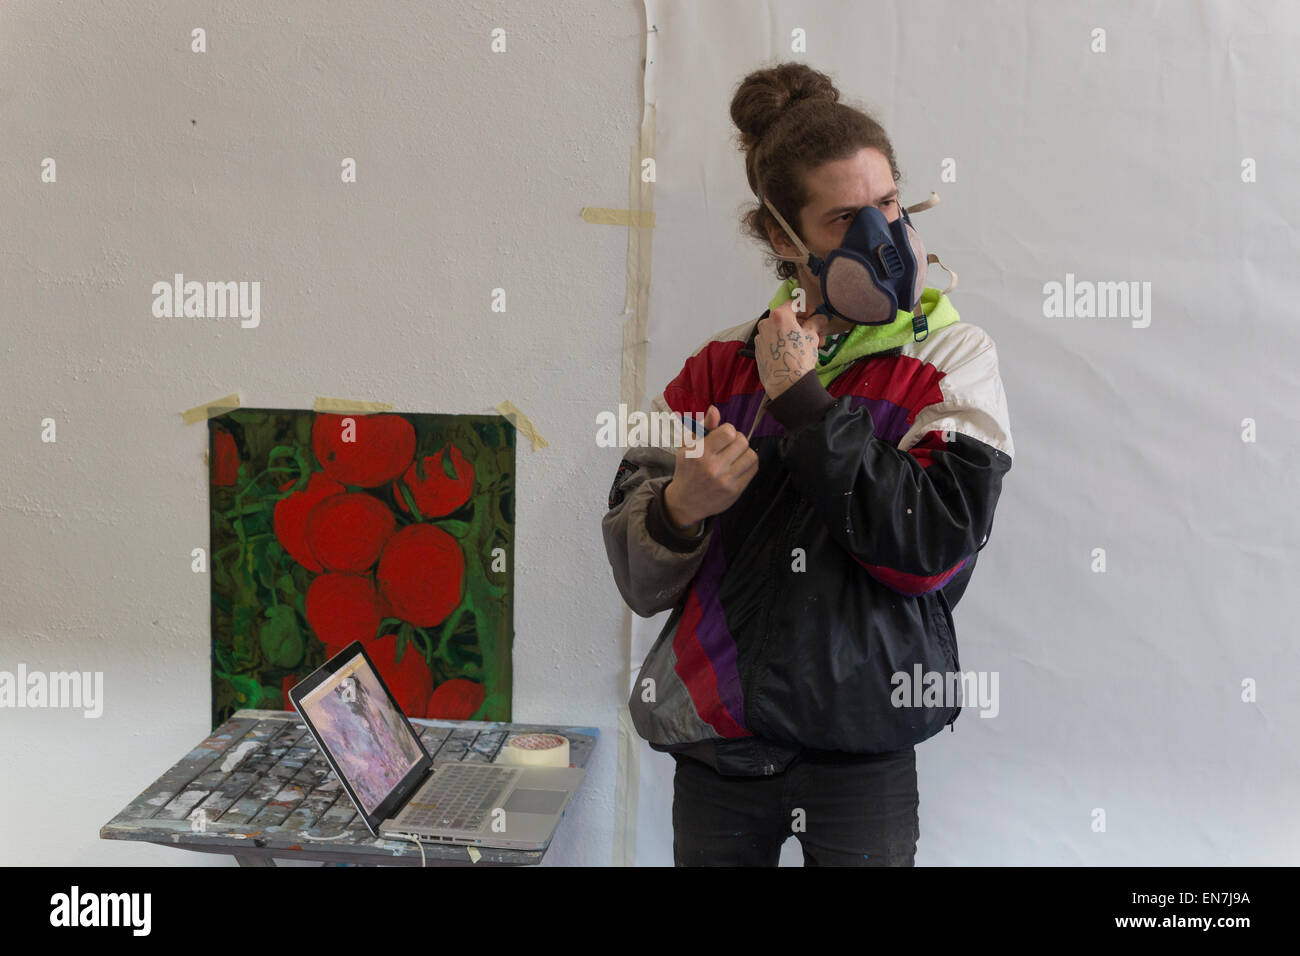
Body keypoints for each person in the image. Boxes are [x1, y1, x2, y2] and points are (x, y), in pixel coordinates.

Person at [601, 62, 1014, 866]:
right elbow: (638, 579)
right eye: (844, 219)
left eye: (890, 204)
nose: (884, 240)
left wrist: (802, 401)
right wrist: (677, 509)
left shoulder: (953, 359)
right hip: (719, 746)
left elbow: (932, 545)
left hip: (865, 750)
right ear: (780, 238)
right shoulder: (717, 367)